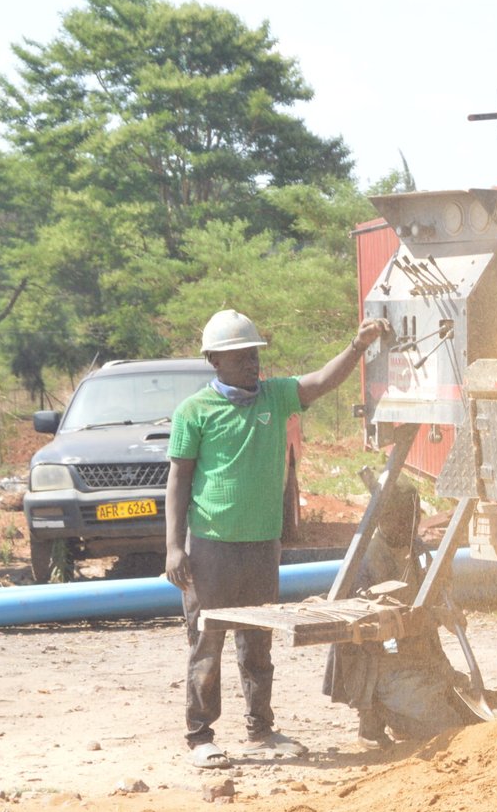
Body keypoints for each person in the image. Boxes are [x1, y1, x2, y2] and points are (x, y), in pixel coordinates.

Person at [166, 309, 392, 770]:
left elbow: (321, 382)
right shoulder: (194, 412)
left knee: (258, 643)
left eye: (253, 354)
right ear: (214, 361)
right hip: (210, 547)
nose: (251, 363)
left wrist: (358, 345)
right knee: (207, 642)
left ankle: (260, 730)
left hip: (261, 545)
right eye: (239, 356)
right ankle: (200, 736)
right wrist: (174, 546)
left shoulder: (275, 396)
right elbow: (178, 481)